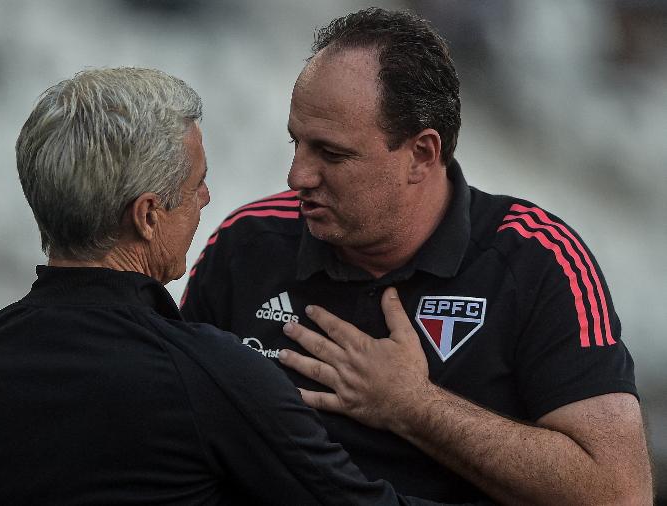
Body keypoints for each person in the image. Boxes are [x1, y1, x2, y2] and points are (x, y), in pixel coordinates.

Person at [180, 7, 652, 505]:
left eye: (332, 154)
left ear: (422, 154)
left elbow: (620, 493)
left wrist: (414, 407)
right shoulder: (246, 242)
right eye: (296, 143)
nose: (298, 176)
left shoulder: (537, 260)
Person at [0, 67, 449, 505]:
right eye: (196, 182)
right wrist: (422, 409)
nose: (204, 198)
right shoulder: (210, 376)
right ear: (148, 216)